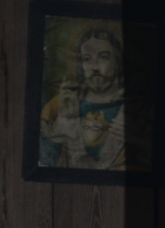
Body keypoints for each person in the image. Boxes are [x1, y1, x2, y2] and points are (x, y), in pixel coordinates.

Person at [38, 21, 128, 171]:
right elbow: (43, 160)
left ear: (117, 62)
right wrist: (60, 126)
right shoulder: (59, 105)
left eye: (103, 57)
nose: (94, 66)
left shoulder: (137, 111)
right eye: (87, 59)